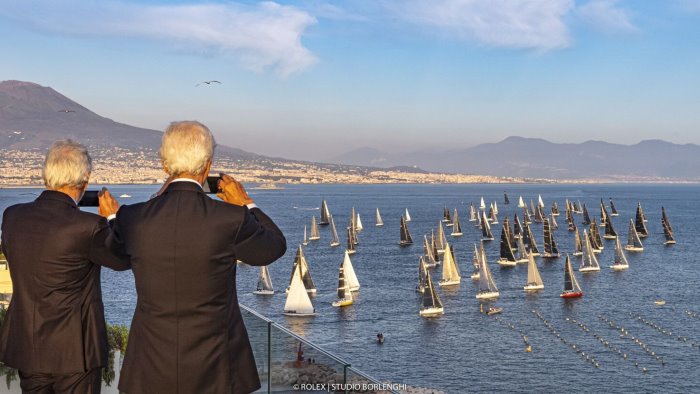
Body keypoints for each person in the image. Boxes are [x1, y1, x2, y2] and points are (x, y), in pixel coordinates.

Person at [113, 121, 287, 393]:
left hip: (150, 363)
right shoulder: (230, 219)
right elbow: (274, 247)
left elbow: (119, 256)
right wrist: (245, 202)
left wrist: (158, 197)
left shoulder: (132, 218)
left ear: (164, 165)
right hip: (218, 364)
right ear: (208, 166)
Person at [0, 139, 130, 393]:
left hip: (29, 346)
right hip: (75, 353)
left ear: (46, 175)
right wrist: (112, 218)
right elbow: (122, 259)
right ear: (85, 178)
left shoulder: (12, 216)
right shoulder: (88, 226)